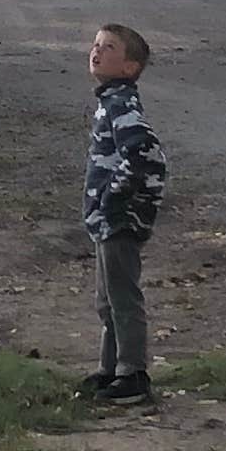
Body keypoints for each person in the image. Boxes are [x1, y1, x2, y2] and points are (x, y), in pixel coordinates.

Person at [76, 21, 168, 409]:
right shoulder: (109, 100)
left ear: (130, 67)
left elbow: (148, 156)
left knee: (122, 297)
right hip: (104, 218)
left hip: (119, 218)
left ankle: (133, 374)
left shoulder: (122, 104)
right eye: (96, 45)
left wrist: (115, 198)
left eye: (109, 47)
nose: (97, 51)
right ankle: (110, 368)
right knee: (106, 299)